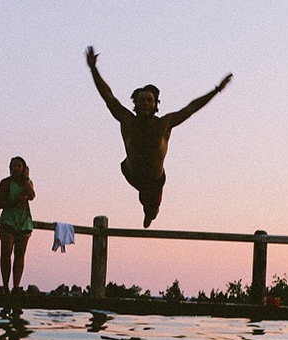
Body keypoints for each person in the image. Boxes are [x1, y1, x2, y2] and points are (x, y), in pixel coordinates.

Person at [85, 45, 232, 228]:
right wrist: (93, 69)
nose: (145, 103)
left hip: (155, 181)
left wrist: (217, 90)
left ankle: (149, 213)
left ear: (156, 105)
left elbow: (191, 108)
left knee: (151, 209)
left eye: (149, 100)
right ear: (136, 105)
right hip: (132, 174)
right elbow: (108, 97)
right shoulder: (127, 120)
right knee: (143, 196)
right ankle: (147, 208)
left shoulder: (165, 123)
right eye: (141, 100)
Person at [0, 156, 35, 293]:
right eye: (13, 165)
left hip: (24, 222)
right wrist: (15, 201)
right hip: (8, 221)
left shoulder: (27, 183)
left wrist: (26, 179)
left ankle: (16, 286)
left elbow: (32, 195)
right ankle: (5, 285)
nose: (15, 168)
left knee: (20, 255)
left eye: (18, 166)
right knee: (6, 253)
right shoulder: (5, 183)